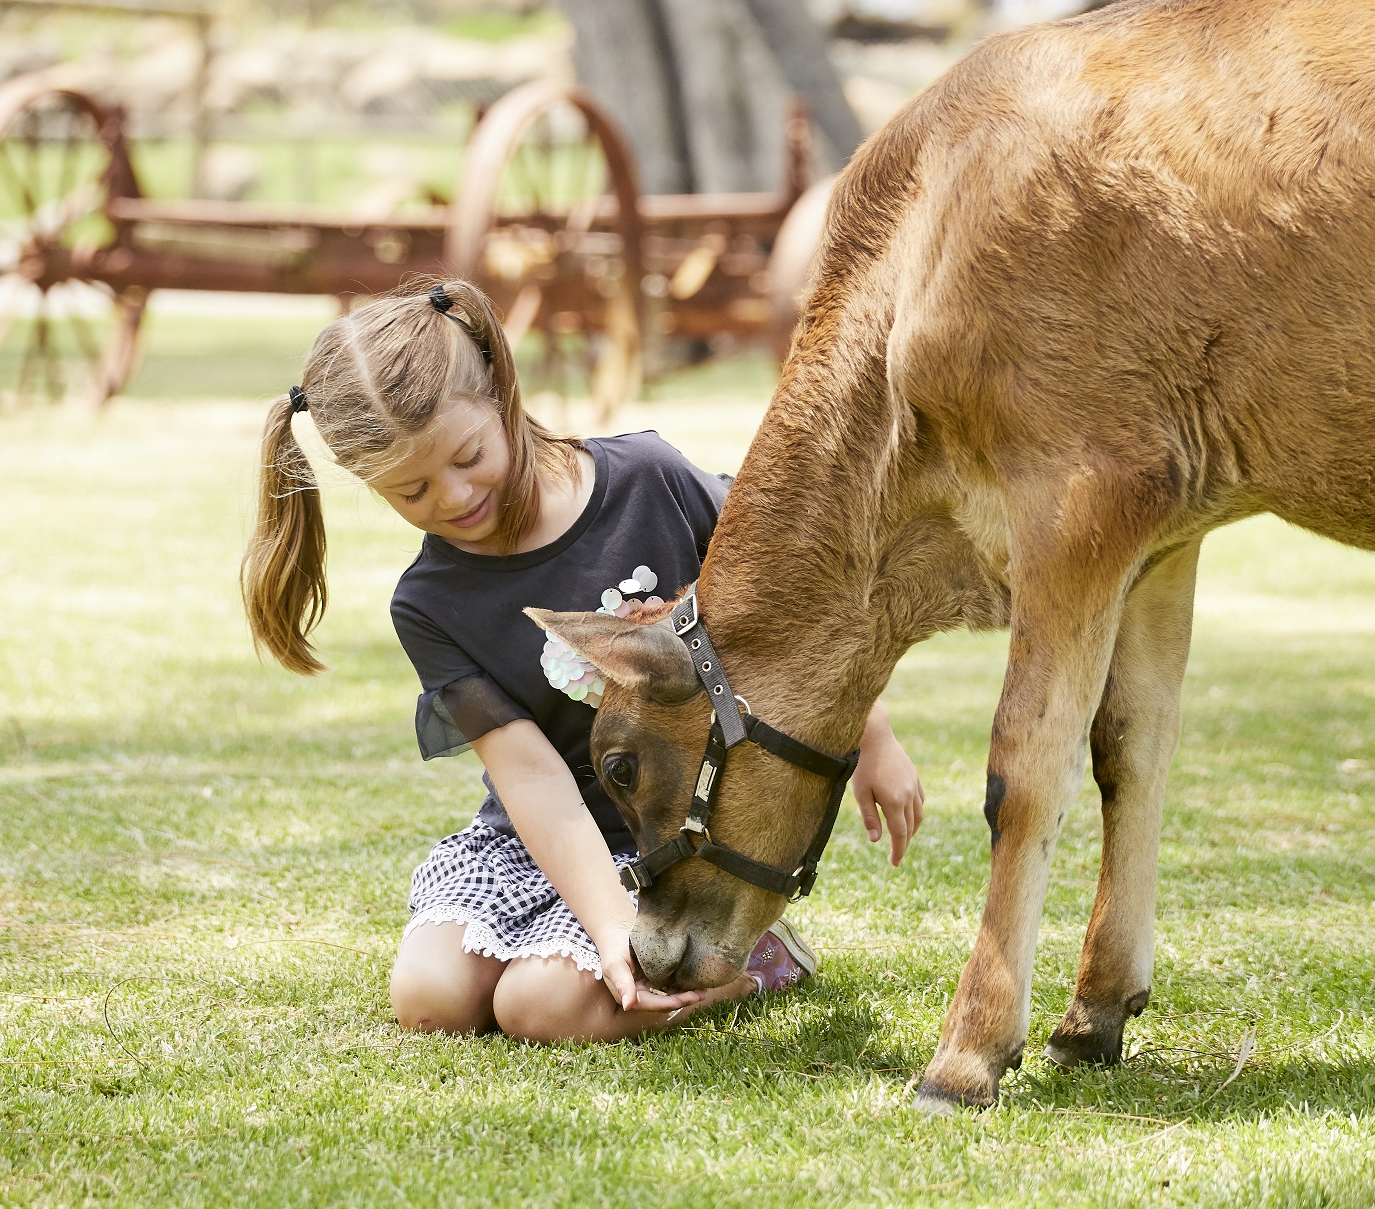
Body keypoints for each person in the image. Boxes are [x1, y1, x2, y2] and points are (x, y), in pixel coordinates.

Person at [240, 279, 925, 1042]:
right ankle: (588, 948)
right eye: (412, 490)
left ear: (501, 392)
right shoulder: (429, 604)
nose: (455, 494)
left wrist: (874, 732)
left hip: (671, 840)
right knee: (430, 999)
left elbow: (793, 603)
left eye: (468, 455)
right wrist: (607, 930)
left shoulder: (650, 480)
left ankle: (755, 958)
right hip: (539, 842)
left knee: (541, 1008)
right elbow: (532, 778)